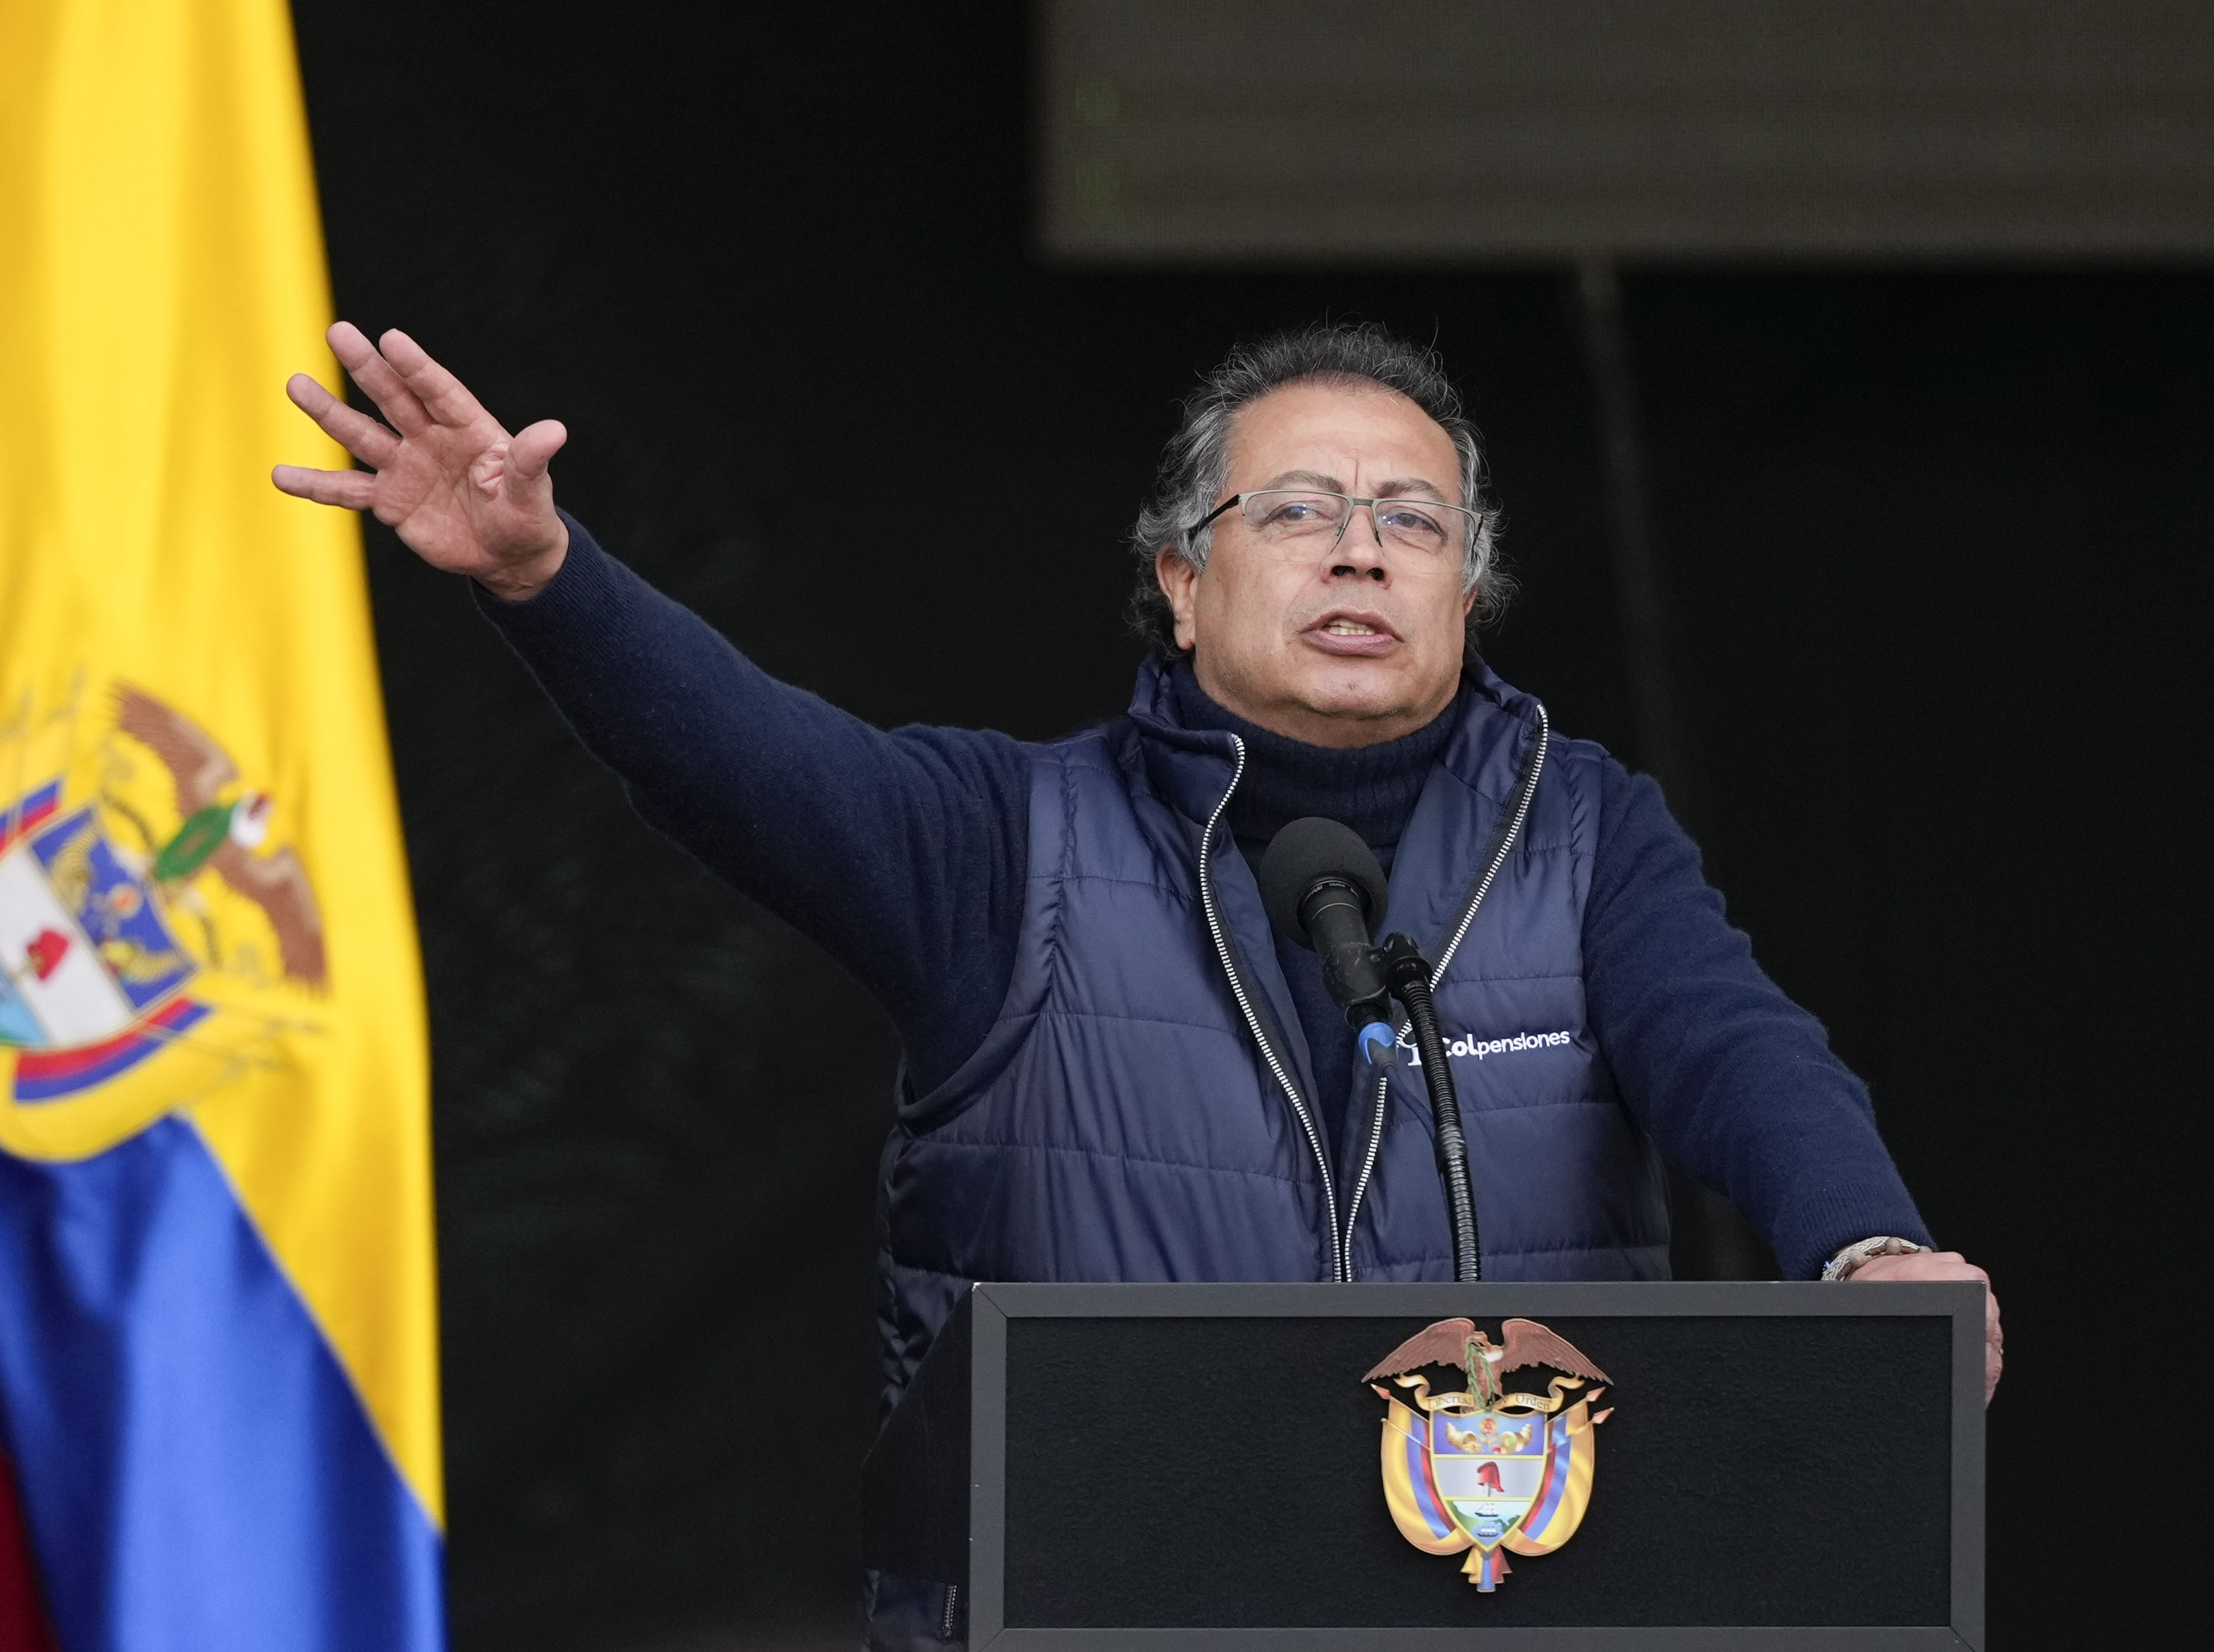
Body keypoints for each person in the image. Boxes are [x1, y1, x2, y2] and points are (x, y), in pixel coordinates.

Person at [274, 317, 2000, 1631]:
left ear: (1468, 593)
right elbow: (756, 767)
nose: (1359, 551)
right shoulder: (1003, 842)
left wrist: (1867, 1237)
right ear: (1182, 580)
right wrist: (547, 579)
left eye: (1415, 521)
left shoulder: (1589, 836)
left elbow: (1734, 1044)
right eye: (1301, 509)